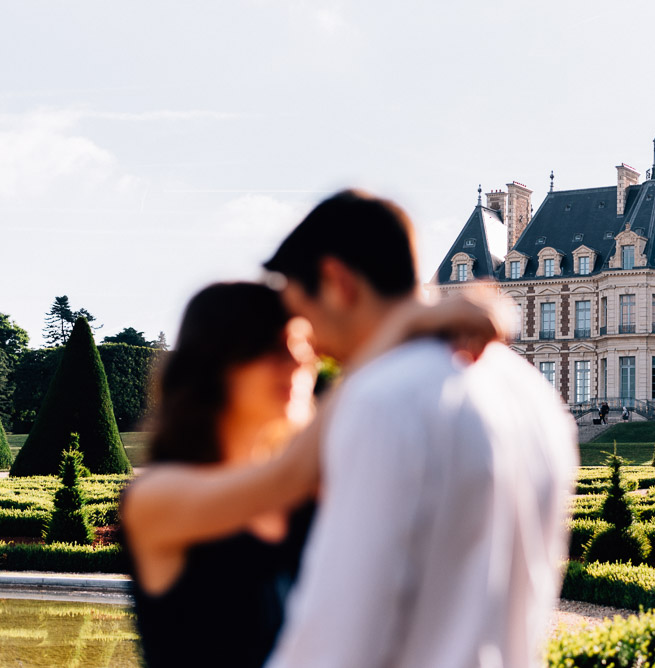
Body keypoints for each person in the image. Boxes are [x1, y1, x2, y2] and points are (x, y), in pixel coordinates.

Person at [263, 190, 579, 668]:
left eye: (301, 315)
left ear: (335, 282)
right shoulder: (534, 395)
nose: (306, 344)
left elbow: (334, 642)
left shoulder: (381, 399)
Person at [120, 282, 503, 668]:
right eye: (271, 346)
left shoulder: (307, 494)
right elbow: (288, 474)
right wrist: (409, 323)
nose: (296, 361)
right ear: (213, 363)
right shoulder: (154, 499)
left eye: (302, 346)